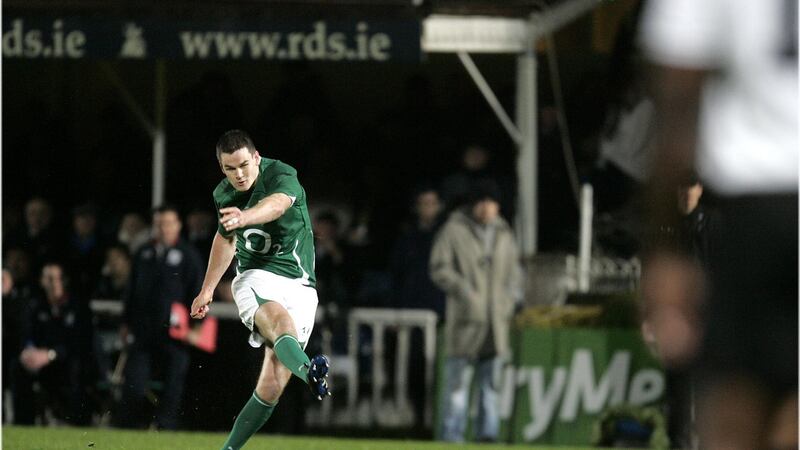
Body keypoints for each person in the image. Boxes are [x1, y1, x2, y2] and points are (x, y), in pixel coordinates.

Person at [639, 1, 797, 449]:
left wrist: (665, 249)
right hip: (753, 200)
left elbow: (677, 94)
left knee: (733, 409)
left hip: (755, 199)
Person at [189, 129, 329, 450]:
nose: (238, 175)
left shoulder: (281, 174)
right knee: (280, 324)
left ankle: (228, 449)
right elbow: (226, 238)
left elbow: (276, 206)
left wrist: (244, 217)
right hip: (256, 276)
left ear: (255, 158)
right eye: (229, 168)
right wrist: (207, 289)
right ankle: (310, 372)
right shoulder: (223, 194)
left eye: (243, 166)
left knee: (270, 386)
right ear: (221, 168)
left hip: (301, 284)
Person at [429, 181, 522, 442]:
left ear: (498, 206)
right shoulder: (453, 230)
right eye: (481, 202)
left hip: (496, 323)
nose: (486, 208)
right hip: (465, 322)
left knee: (490, 385)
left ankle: (487, 436)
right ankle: (451, 435)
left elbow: (515, 272)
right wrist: (464, 290)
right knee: (457, 385)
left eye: (490, 202)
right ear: (473, 205)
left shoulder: (504, 232)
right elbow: (439, 268)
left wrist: (509, 302)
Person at [114, 205, 204, 430]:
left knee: (174, 383)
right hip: (144, 331)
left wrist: (196, 327)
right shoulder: (143, 253)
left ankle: (166, 428)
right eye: (159, 224)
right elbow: (131, 292)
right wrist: (125, 323)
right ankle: (130, 427)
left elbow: (199, 293)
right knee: (133, 382)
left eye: (168, 223)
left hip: (176, 334)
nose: (163, 229)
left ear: (177, 226)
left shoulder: (189, 256)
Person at [10, 263, 96, 425]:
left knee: (77, 367)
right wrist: (28, 351)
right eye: (49, 278)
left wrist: (51, 354)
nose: (55, 283)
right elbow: (26, 335)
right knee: (18, 366)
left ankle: (77, 423)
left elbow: (80, 342)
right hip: (40, 362)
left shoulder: (78, 307)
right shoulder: (35, 306)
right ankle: (23, 424)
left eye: (58, 278)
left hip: (65, 360)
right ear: (42, 281)